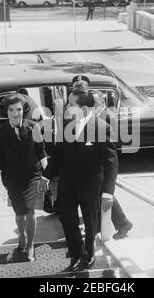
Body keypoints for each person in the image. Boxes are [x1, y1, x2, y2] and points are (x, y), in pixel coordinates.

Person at [43, 85, 118, 271]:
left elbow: (111, 162)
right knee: (67, 219)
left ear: (84, 108)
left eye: (70, 104)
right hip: (67, 185)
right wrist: (46, 176)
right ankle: (76, 253)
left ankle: (89, 252)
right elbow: (58, 154)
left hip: (91, 186)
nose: (67, 107)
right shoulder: (66, 125)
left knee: (91, 222)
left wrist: (108, 191)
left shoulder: (102, 127)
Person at [0, 93, 48, 261]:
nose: (15, 113)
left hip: (33, 176)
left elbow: (41, 153)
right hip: (12, 178)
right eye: (11, 110)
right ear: (6, 111)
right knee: (19, 213)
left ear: (23, 110)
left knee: (30, 209)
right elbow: (0, 160)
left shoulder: (34, 127)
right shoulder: (1, 132)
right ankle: (22, 238)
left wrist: (46, 175)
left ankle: (31, 244)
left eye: (18, 109)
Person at [92, 89, 133, 240]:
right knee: (99, 194)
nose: (92, 106)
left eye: (95, 103)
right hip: (98, 161)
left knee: (106, 193)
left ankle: (123, 223)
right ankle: (98, 224)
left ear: (102, 102)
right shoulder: (97, 115)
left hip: (105, 162)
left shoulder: (109, 116)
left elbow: (113, 141)